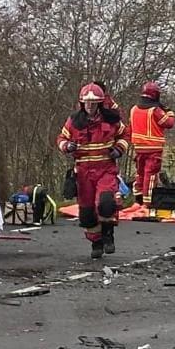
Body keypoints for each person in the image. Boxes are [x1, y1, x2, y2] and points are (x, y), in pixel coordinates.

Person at [56, 83, 129, 259]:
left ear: (100, 104)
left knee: (106, 203)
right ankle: (96, 242)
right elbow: (61, 138)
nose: (90, 106)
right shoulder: (74, 121)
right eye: (87, 103)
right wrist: (67, 146)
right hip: (83, 173)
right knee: (87, 213)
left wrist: (119, 149)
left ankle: (108, 233)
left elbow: (125, 135)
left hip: (105, 169)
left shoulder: (111, 120)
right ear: (82, 104)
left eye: (94, 103)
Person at [128, 81, 175, 208]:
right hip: (153, 148)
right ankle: (148, 203)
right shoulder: (155, 110)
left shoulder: (133, 109)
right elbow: (169, 123)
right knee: (151, 175)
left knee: (140, 174)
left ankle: (137, 201)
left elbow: (129, 130)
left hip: (138, 148)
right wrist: (169, 112)